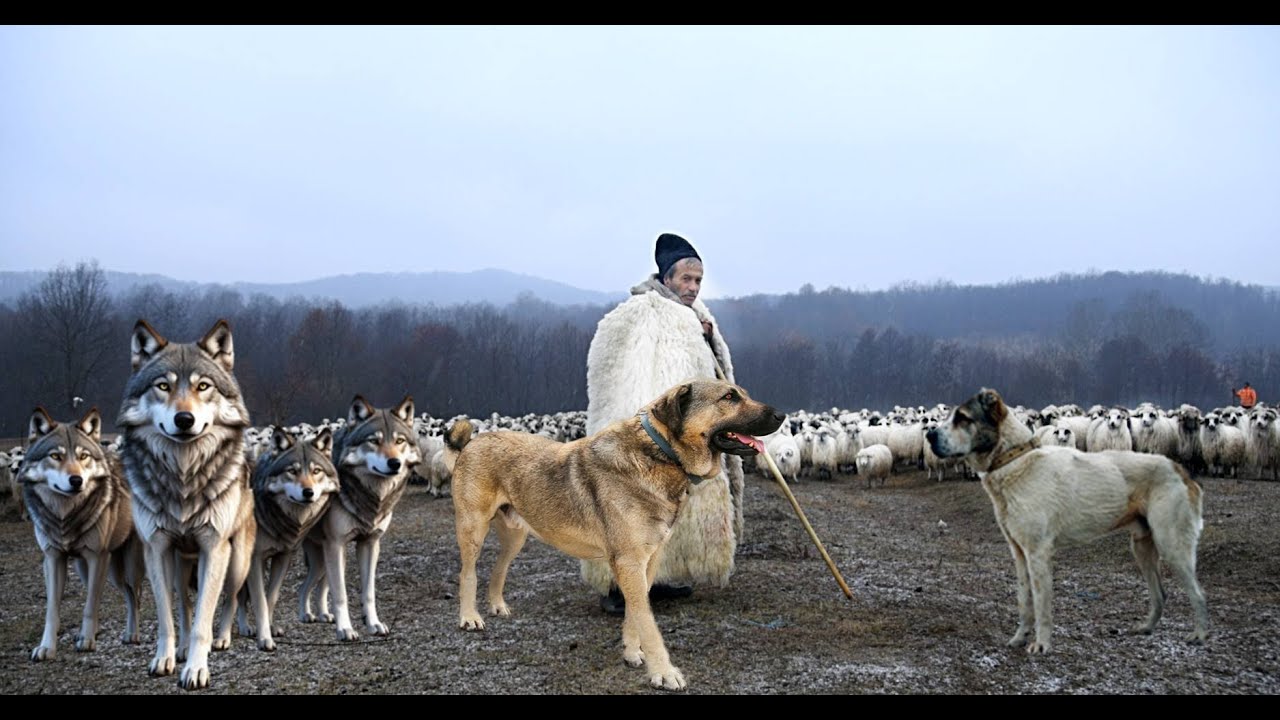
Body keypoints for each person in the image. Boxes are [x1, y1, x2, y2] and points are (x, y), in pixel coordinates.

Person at [583, 232, 743, 615]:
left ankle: (661, 577)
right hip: (646, 434)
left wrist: (704, 340)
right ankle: (618, 588)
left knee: (672, 508)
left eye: (698, 280)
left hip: (684, 435)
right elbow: (623, 375)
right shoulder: (640, 314)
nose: (692, 287)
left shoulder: (697, 318)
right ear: (667, 277)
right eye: (685, 279)